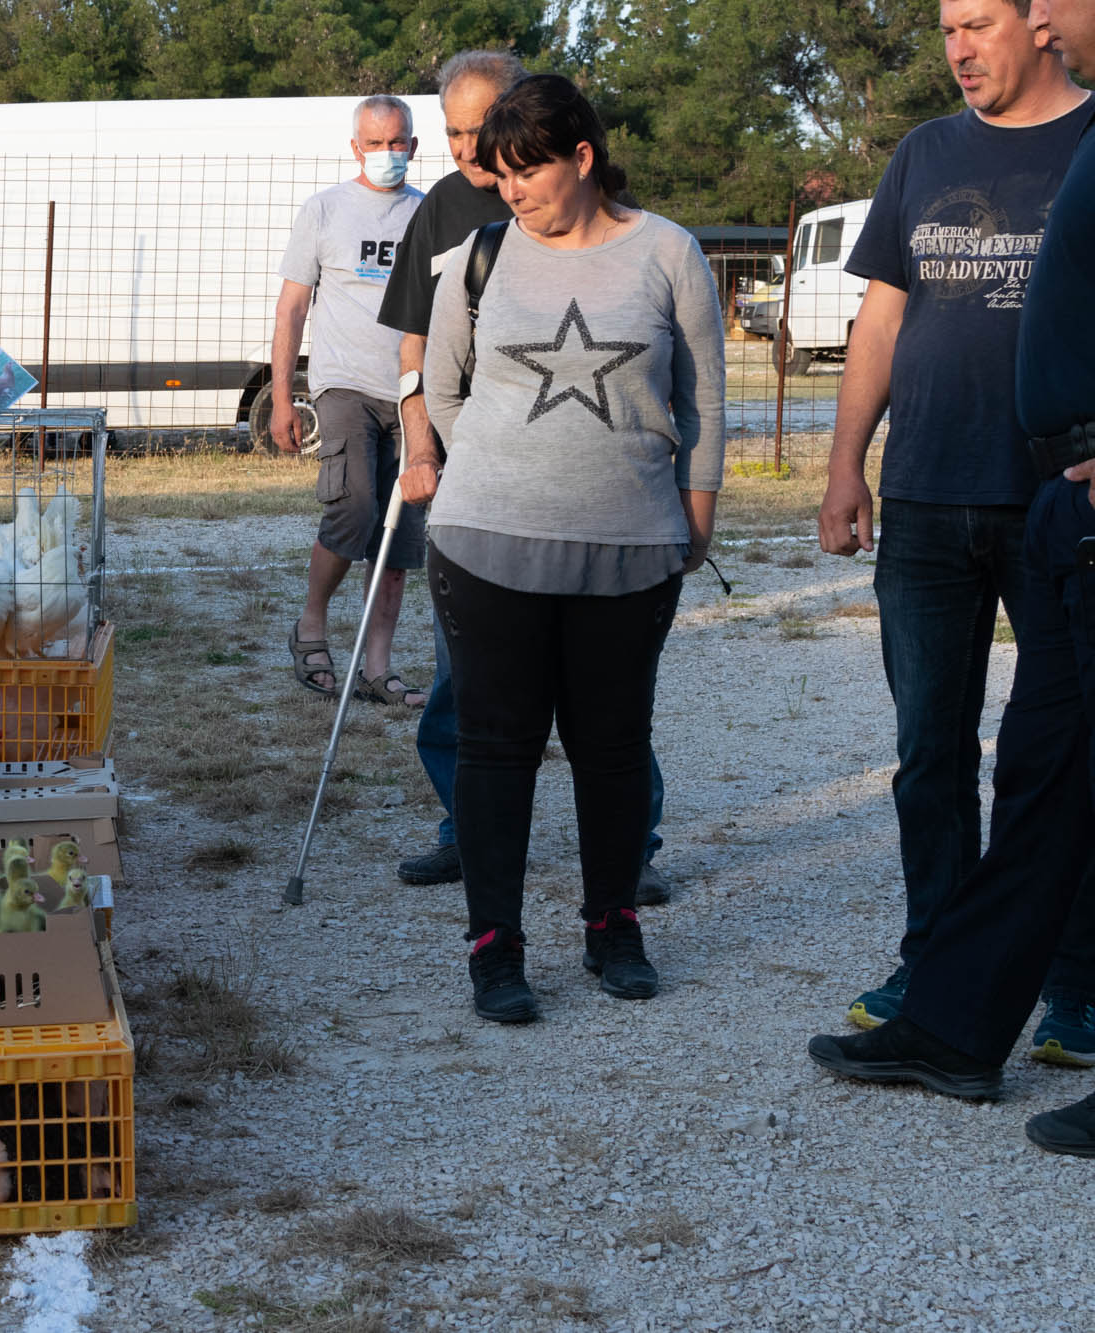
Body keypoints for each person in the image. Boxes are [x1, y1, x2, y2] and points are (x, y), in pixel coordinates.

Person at [807, 0, 1095, 1157]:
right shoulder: (923, 153)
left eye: (981, 21)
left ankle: (1069, 992)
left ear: (1037, 23)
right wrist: (843, 465)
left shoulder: (1085, 136)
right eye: (946, 29)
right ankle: (941, 980)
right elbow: (879, 314)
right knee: (948, 749)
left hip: (1046, 502)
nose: (962, 45)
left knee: (1055, 761)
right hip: (933, 496)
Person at [395, 74, 725, 1023]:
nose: (512, 191)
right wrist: (480, 470)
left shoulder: (668, 253)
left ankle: (613, 927)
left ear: (582, 157)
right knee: (494, 752)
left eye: (528, 170)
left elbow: (702, 402)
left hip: (631, 547)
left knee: (614, 750)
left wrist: (696, 512)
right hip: (486, 543)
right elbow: (439, 385)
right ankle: (495, 950)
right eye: (498, 174)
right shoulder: (475, 257)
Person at [276, 95, 429, 709]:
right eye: (376, 142)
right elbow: (292, 308)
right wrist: (284, 396)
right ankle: (311, 626)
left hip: (413, 395)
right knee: (356, 509)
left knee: (400, 535)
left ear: (413, 147)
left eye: (398, 142)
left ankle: (377, 666)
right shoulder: (324, 210)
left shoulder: (428, 214)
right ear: (355, 147)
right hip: (344, 386)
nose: (387, 153)